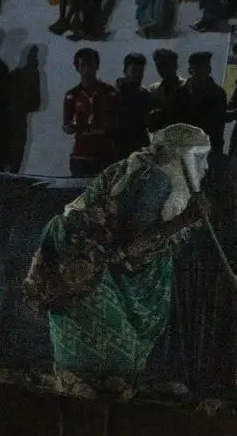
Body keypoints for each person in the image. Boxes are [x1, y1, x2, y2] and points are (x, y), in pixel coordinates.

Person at [23, 123, 213, 399]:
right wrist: (184, 221)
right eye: (201, 157)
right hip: (91, 278)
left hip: (81, 268)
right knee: (107, 365)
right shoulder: (158, 182)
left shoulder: (141, 165)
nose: (205, 166)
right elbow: (131, 249)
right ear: (184, 157)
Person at [63, 48, 120, 177]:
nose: (87, 70)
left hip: (105, 156)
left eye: (90, 65)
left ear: (97, 66)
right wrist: (70, 127)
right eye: (82, 65)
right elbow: (66, 126)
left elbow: (118, 123)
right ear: (77, 67)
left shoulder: (110, 93)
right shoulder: (72, 95)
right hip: (80, 156)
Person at [175, 52, 227, 155]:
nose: (201, 75)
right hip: (186, 149)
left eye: (204, 70)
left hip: (210, 149)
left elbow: (218, 126)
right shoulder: (180, 93)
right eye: (198, 70)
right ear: (190, 70)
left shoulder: (218, 93)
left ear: (209, 70)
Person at [116, 53, 151, 159]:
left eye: (141, 72)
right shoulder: (114, 95)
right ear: (125, 71)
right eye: (134, 71)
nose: (138, 75)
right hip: (119, 148)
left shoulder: (144, 94)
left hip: (140, 148)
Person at [147, 49, 183, 131]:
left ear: (175, 65)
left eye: (166, 64)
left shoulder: (188, 87)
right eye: (158, 66)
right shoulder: (153, 90)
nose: (162, 69)